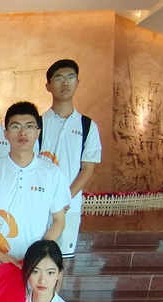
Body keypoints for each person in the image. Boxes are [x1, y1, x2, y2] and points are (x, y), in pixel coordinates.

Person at [0, 101, 70, 267]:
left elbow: (59, 221)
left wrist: (38, 254)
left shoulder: (52, 173)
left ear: (38, 132)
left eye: (29, 127)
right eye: (15, 127)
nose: (22, 132)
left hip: (35, 267)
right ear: (5, 134)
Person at [39, 59, 102, 258]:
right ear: (48, 86)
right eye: (58, 78)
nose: (65, 83)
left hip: (69, 208)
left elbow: (87, 169)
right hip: (38, 204)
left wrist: (65, 198)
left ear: (77, 82)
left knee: (60, 262)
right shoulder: (38, 124)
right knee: (34, 259)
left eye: (70, 77)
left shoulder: (87, 126)